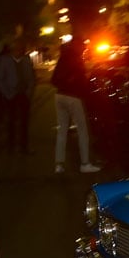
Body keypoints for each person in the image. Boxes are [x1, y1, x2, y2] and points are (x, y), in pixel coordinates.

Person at [50, 40, 100, 175]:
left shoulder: (63, 58)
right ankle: (85, 164)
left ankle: (59, 165)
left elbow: (53, 80)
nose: (84, 50)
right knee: (82, 130)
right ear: (78, 48)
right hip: (73, 97)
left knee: (62, 130)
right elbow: (83, 82)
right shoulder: (76, 60)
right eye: (83, 48)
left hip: (59, 96)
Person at [0, 38, 35, 154]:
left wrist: (29, 92)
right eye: (16, 49)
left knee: (24, 122)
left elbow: (32, 78)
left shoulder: (27, 60)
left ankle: (24, 146)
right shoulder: (5, 61)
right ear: (12, 50)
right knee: (11, 121)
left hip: (24, 95)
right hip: (11, 95)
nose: (18, 51)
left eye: (20, 49)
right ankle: (11, 146)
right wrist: (7, 93)